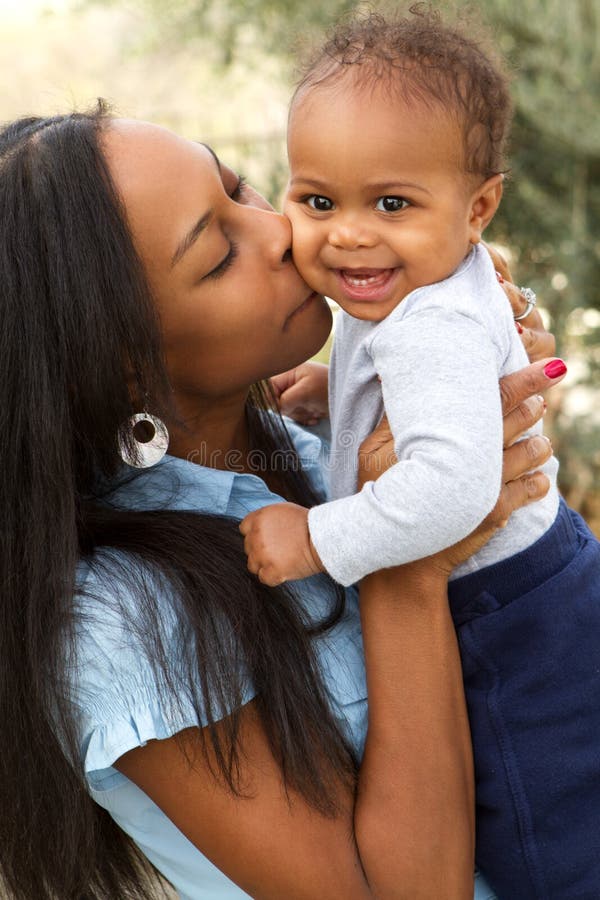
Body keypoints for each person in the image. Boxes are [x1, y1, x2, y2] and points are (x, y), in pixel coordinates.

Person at [0, 104, 558, 900]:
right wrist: (403, 556)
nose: (282, 234)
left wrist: (480, 368)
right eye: (221, 253)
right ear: (120, 370)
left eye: (241, 189)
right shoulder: (116, 623)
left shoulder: (299, 441)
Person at [240, 9, 600, 899]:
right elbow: (418, 404)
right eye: (318, 202)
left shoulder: (427, 320)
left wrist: (319, 539)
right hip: (540, 584)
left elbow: (449, 488)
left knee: (544, 836)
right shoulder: (422, 278)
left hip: (508, 623)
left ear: (479, 207)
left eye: (391, 203)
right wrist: (338, 398)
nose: (350, 234)